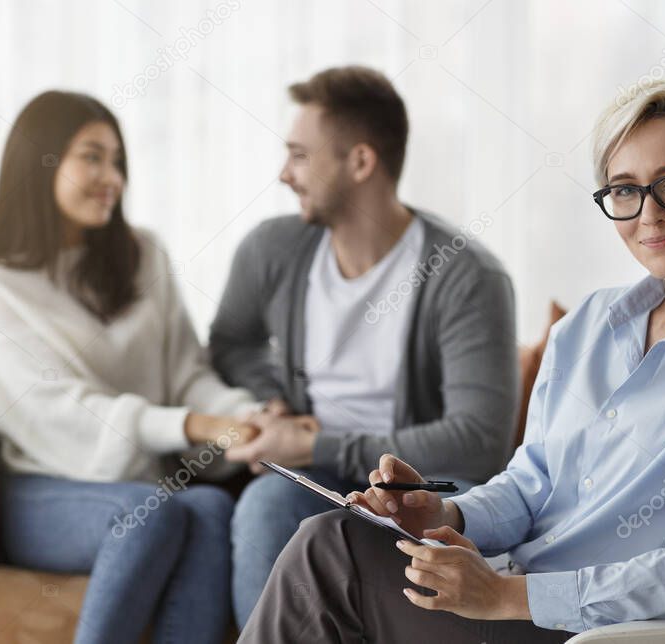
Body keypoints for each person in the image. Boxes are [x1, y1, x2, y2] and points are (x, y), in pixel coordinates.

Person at [238, 80, 665, 643]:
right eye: (625, 189)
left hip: (593, 635)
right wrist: (441, 512)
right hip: (513, 603)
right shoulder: (588, 329)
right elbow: (530, 484)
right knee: (338, 541)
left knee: (329, 551)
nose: (648, 214)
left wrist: (504, 597)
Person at [209, 65, 519, 628]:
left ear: (359, 162)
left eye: (300, 155)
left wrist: (318, 445)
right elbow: (230, 343)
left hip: (426, 483)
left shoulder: (465, 276)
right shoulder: (273, 250)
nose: (284, 173)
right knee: (264, 506)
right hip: (317, 481)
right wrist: (274, 399)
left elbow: (478, 443)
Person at [0, 90, 259, 644]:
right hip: (45, 491)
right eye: (92, 157)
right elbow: (59, 412)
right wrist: (188, 425)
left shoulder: (145, 255)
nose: (113, 177)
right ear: (41, 160)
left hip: (143, 485)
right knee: (150, 512)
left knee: (210, 508)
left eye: (118, 161)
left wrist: (247, 417)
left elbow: (186, 374)